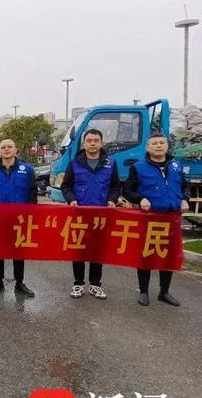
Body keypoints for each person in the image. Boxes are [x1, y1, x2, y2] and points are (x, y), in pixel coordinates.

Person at [122, 132, 189, 307]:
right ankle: (143, 291)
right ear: (147, 147)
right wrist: (140, 199)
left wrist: (185, 199)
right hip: (150, 218)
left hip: (172, 218)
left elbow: (184, 186)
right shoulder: (138, 167)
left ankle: (164, 292)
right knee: (146, 254)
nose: (159, 146)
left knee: (168, 255)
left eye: (161, 142)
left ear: (167, 145)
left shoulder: (176, 165)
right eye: (154, 143)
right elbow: (127, 190)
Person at [60, 128, 120, 300]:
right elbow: (66, 186)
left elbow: (116, 186)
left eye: (96, 140)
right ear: (84, 143)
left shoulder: (110, 163)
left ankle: (95, 284)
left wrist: (112, 200)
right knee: (78, 249)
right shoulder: (75, 163)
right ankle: (78, 284)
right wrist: (71, 200)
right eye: (89, 140)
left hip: (101, 215)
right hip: (80, 214)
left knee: (97, 250)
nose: (92, 143)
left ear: (101, 143)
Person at [0, 139, 37, 297]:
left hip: (20, 220)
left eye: (9, 147)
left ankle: (19, 282)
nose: (6, 150)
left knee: (18, 251)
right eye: (3, 147)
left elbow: (32, 193)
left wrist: (31, 214)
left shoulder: (27, 170)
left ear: (15, 150)